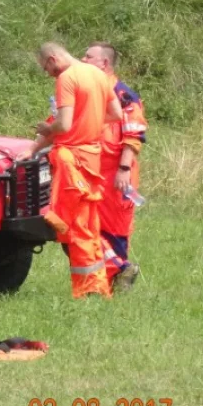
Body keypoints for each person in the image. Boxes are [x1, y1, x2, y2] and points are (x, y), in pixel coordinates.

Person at [17, 42, 123, 299]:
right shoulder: (99, 75)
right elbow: (116, 113)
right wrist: (89, 121)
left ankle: (90, 289)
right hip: (92, 158)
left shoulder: (66, 78)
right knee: (88, 223)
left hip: (71, 160)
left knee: (76, 228)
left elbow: (62, 125)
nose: (48, 73)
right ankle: (97, 285)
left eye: (46, 68)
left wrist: (47, 129)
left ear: (53, 59)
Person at [82, 42, 147, 292]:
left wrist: (124, 168)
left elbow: (134, 134)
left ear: (104, 63)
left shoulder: (122, 94)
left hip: (117, 175)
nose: (83, 59)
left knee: (115, 230)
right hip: (93, 172)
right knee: (88, 226)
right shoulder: (89, 90)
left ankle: (118, 272)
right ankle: (113, 275)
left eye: (88, 56)